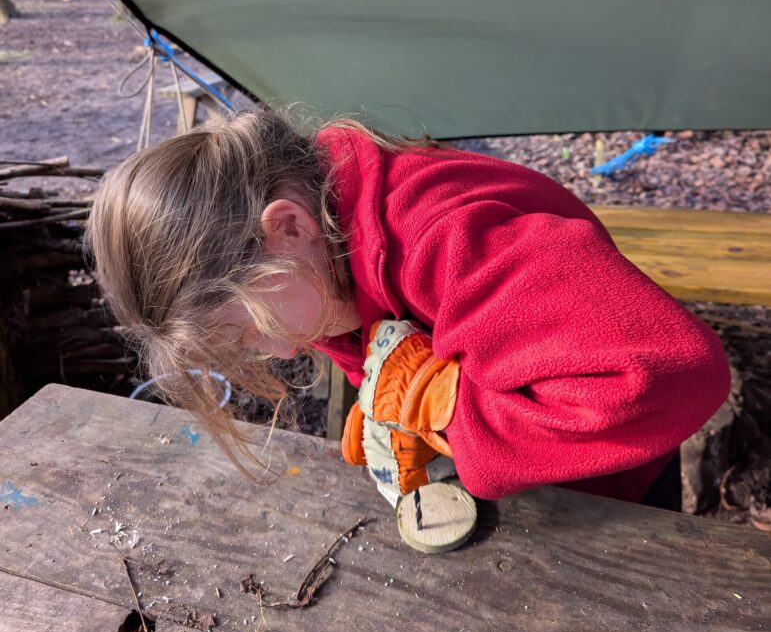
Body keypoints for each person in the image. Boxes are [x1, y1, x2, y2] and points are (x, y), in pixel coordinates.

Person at [86, 110, 730, 511]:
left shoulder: (440, 238)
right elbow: (404, 337)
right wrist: (396, 401)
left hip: (612, 486)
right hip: (535, 481)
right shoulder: (323, 244)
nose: (280, 352)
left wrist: (449, 413)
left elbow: (674, 375)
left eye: (250, 330)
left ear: (284, 229)